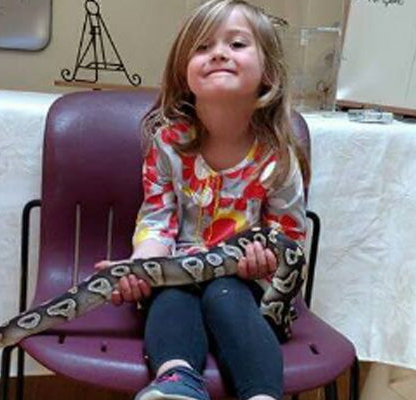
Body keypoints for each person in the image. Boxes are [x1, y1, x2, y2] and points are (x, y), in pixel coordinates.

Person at [95, 1, 309, 399]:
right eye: (203, 46)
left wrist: (266, 261)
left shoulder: (278, 157)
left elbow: (289, 238)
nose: (219, 53)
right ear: (184, 70)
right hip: (179, 269)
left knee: (225, 294)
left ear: (269, 71)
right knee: (171, 295)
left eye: (237, 44)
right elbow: (157, 221)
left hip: (245, 284)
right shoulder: (168, 144)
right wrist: (140, 267)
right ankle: (175, 383)